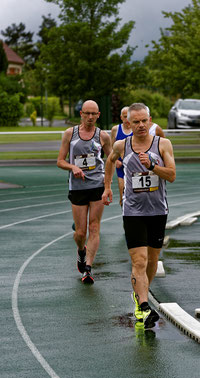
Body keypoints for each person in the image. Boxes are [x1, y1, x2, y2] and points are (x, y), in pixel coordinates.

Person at [102, 103, 176, 328]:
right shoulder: (121, 145)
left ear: (150, 120)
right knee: (139, 260)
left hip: (157, 211)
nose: (141, 125)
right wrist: (107, 187)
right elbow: (109, 162)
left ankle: (138, 294)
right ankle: (143, 306)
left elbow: (171, 175)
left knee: (152, 261)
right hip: (133, 211)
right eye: (136, 122)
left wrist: (153, 165)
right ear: (129, 123)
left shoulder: (162, 144)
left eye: (145, 121)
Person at [57, 100, 112, 284]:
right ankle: (81, 251)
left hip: (97, 185)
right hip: (78, 187)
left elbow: (111, 160)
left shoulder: (103, 136)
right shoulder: (69, 134)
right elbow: (60, 161)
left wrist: (109, 184)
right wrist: (72, 167)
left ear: (98, 115)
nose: (90, 117)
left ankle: (88, 268)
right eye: (87, 113)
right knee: (80, 233)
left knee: (94, 227)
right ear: (81, 113)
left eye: (93, 114)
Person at [110, 106, 133, 206]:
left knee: (133, 193)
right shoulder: (115, 129)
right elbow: (111, 149)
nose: (127, 119)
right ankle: (124, 213)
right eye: (125, 117)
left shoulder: (136, 129)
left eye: (129, 116)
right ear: (121, 117)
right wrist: (116, 161)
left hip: (133, 166)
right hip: (121, 166)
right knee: (122, 193)